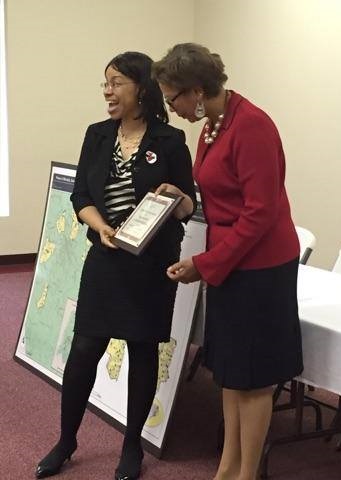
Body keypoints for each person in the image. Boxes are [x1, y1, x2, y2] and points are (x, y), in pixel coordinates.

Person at [35, 51, 196, 480]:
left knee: (143, 351)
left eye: (116, 82)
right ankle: (66, 440)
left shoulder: (170, 141)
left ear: (140, 88)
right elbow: (80, 197)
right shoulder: (97, 135)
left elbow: (188, 205)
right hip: (105, 258)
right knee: (85, 349)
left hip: (151, 265)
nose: (107, 90)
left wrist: (177, 196)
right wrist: (102, 227)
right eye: (104, 82)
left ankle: (131, 447)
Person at [153, 43, 303, 480]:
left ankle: (245, 472)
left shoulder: (252, 125)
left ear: (196, 90)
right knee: (231, 372)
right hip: (230, 263)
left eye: (173, 98)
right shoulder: (213, 125)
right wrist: (182, 200)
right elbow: (220, 198)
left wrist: (205, 263)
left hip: (261, 268)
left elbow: (259, 214)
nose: (171, 107)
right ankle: (226, 469)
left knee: (254, 378)